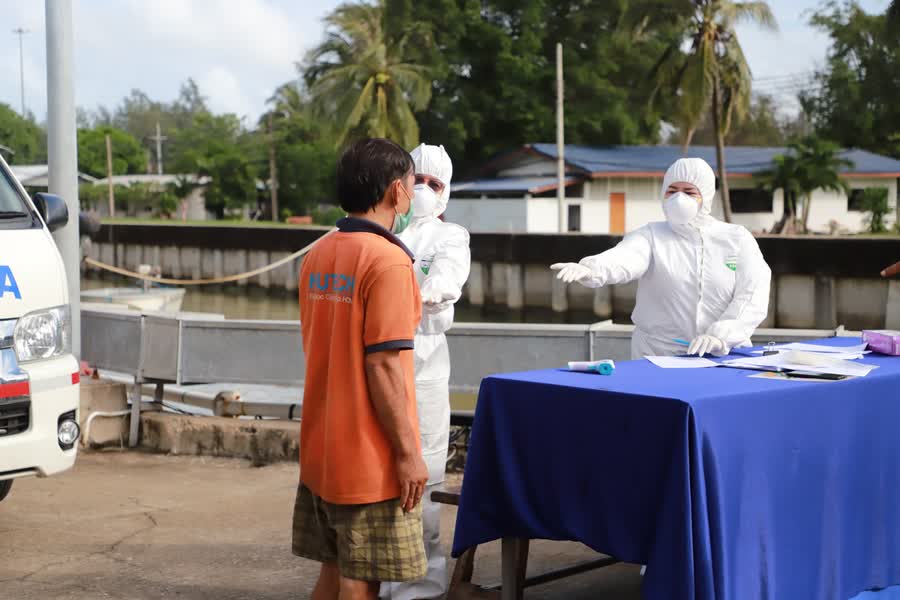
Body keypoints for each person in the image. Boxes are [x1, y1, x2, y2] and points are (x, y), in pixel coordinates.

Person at [294, 138, 429, 600]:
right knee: (358, 581)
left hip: (322, 448)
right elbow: (384, 367)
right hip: (368, 458)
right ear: (396, 191)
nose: (412, 196)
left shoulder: (320, 254)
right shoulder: (389, 261)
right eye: (412, 186)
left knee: (333, 573)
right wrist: (409, 454)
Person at [551, 157, 771, 359]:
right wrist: (593, 269)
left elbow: (753, 292)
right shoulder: (651, 236)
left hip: (723, 355)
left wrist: (721, 335)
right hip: (658, 355)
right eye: (672, 190)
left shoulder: (736, 239)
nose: (679, 198)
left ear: (706, 195)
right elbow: (626, 257)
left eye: (689, 191)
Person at [381, 144, 471, 600]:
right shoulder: (381, 231)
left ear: (446, 193)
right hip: (378, 362)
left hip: (425, 363)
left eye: (435, 184)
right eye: (417, 180)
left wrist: (436, 290)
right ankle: (377, 573)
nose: (423, 191)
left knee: (427, 471)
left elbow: (451, 274)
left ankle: (421, 582)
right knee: (378, 468)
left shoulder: (450, 235)